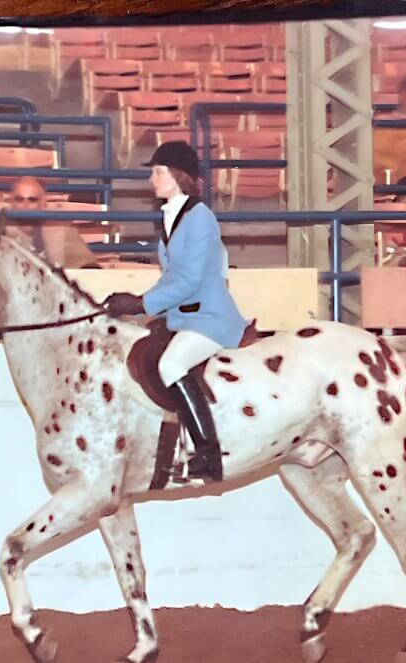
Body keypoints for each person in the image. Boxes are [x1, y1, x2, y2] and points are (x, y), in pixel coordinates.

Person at [104, 141, 247, 482]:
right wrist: (138, 305)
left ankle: (208, 454)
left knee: (171, 364)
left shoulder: (200, 218)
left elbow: (189, 280)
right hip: (183, 317)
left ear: (176, 175)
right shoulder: (170, 219)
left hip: (210, 317)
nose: (152, 179)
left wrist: (140, 303)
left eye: (157, 172)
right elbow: (169, 279)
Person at [9, 176, 99, 268]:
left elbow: (87, 264)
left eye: (32, 199)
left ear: (43, 204)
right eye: (19, 199)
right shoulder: (0, 231)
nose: (25, 205)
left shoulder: (61, 230)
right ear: (11, 202)